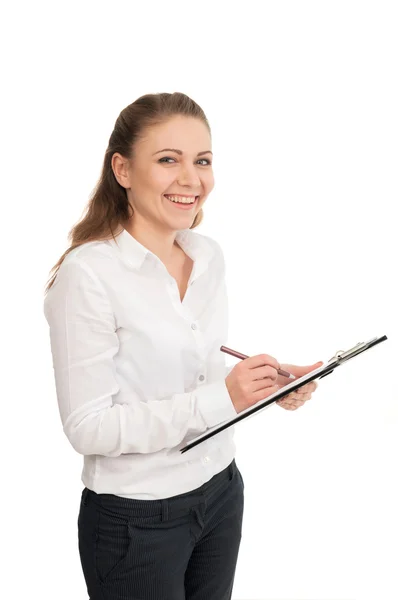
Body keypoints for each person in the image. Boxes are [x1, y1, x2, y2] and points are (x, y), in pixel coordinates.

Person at [43, 92, 321, 600]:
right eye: (168, 160)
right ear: (122, 169)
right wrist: (224, 399)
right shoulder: (87, 276)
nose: (191, 179)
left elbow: (195, 359)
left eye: (203, 160)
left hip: (220, 492)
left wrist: (265, 382)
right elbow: (88, 428)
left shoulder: (207, 255)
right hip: (138, 520)